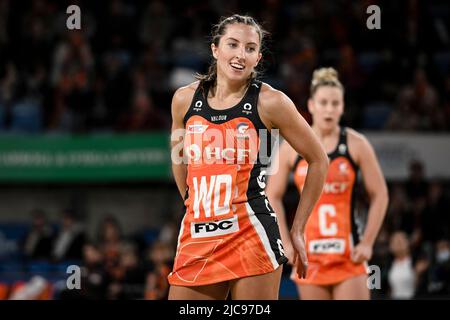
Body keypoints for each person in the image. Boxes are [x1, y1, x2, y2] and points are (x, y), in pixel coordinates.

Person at [168, 14, 329, 300]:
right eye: (232, 44)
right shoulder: (183, 99)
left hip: (250, 235)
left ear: (258, 58)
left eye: (250, 48)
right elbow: (180, 160)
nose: (240, 55)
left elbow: (318, 160)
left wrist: (298, 230)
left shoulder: (271, 102)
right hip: (198, 236)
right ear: (215, 49)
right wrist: (191, 205)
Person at [266, 67, 388, 299]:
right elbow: (272, 195)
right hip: (309, 256)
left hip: (348, 256)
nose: (329, 109)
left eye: (335, 103)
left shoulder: (356, 143)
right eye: (323, 102)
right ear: (311, 105)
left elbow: (380, 194)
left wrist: (368, 242)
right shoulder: (292, 147)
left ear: (342, 107)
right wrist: (286, 242)